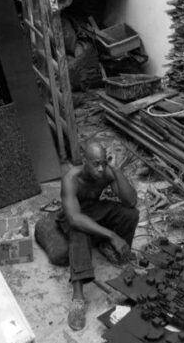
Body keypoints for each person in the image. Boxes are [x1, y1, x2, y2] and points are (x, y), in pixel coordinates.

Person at [59, 139, 139, 330]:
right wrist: (112, 235)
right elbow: (74, 218)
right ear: (84, 161)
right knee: (79, 235)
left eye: (104, 163)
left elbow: (131, 201)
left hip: (95, 209)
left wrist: (115, 171)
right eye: (96, 164)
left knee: (130, 214)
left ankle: (113, 250)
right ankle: (78, 298)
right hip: (74, 216)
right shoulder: (71, 179)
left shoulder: (106, 173)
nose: (101, 169)